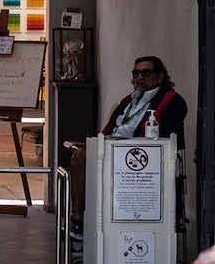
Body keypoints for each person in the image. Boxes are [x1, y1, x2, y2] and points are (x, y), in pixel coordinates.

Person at [69, 56, 187, 231]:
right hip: (113, 150)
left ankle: (82, 222)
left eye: (146, 73)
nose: (139, 78)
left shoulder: (171, 100)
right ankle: (80, 220)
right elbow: (109, 129)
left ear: (160, 76)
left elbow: (168, 141)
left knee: (82, 156)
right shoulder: (129, 99)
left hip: (142, 161)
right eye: (136, 73)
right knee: (80, 154)